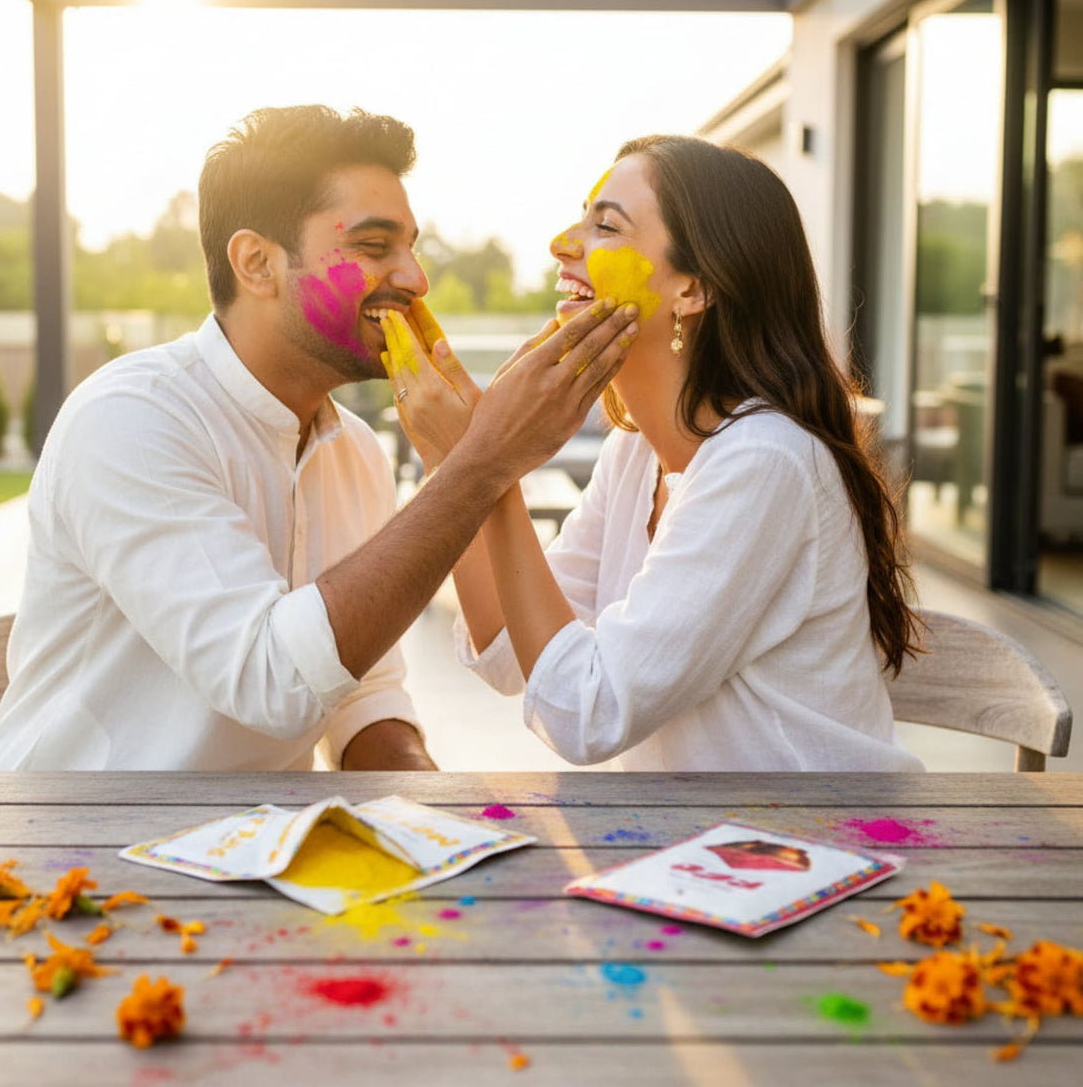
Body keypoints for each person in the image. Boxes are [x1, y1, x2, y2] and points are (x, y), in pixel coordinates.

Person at [0, 105, 638, 771]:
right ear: (257, 263)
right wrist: (479, 461)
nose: (416, 278)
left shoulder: (354, 450)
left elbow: (364, 699)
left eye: (411, 246)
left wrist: (437, 819)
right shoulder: (132, 421)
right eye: (375, 246)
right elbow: (275, 682)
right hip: (78, 849)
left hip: (263, 852)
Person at [383, 134, 924, 772]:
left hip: (814, 842)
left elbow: (588, 714)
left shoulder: (764, 462)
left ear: (693, 289)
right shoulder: (634, 454)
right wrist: (462, 463)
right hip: (692, 845)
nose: (563, 243)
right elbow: (508, 651)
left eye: (605, 226)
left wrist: (489, 465)